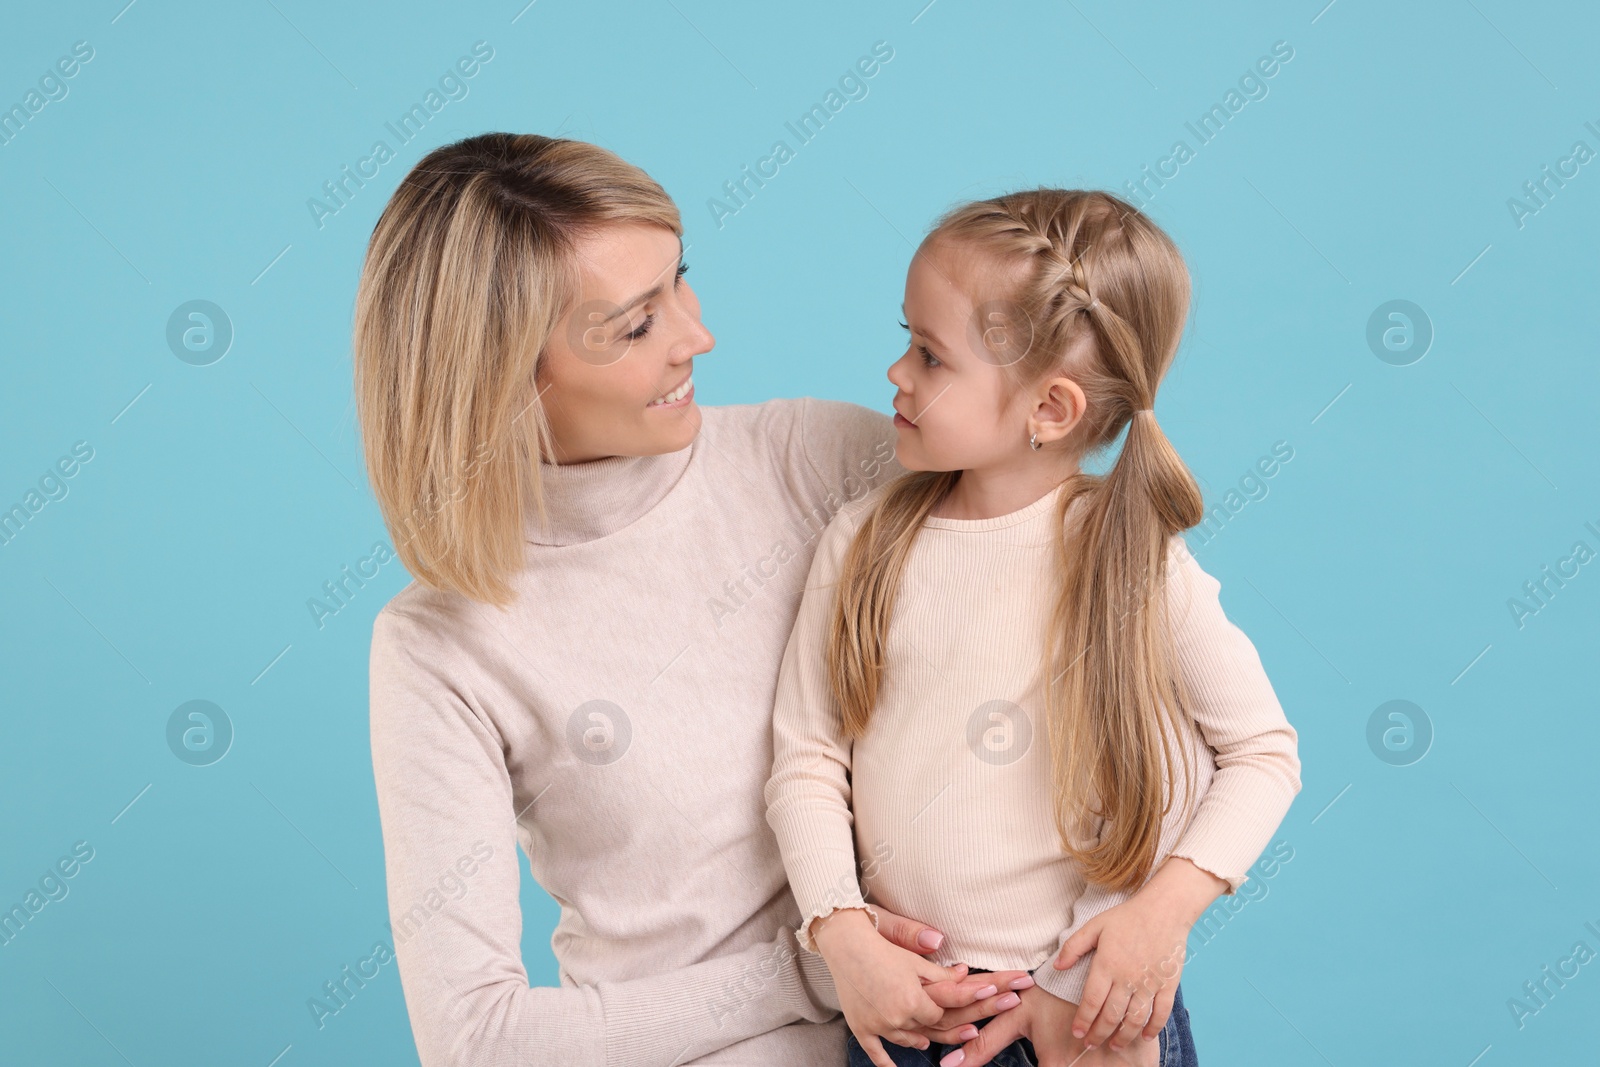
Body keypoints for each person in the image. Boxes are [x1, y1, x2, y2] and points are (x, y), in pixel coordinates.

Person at [353, 132, 1042, 1066]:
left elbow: (1099, 607)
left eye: (681, 279)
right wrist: (812, 968)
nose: (696, 335)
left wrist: (1146, 917)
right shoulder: (440, 645)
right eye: (636, 326)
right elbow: (475, 1039)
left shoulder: (817, 461)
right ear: (502, 377)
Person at [764, 190, 1304, 1067]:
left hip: (1090, 1014)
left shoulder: (1132, 564)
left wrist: (1154, 921)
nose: (897, 373)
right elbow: (806, 757)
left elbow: (1263, 753)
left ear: (1049, 411)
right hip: (915, 1015)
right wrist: (844, 935)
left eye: (931, 356)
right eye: (906, 339)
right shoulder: (861, 541)